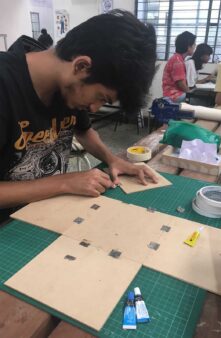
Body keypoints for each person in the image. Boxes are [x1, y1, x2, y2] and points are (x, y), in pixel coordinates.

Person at [0, 10, 158, 223]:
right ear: (81, 66)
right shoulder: (5, 84)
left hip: (44, 211)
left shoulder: (68, 87)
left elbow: (83, 130)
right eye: (102, 97)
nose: (94, 108)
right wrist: (65, 182)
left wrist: (112, 160)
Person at [162, 31, 196, 103]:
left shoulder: (178, 58)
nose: (195, 47)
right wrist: (189, 92)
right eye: (194, 44)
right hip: (174, 96)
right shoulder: (178, 61)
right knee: (197, 100)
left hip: (173, 94)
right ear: (188, 47)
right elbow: (181, 84)